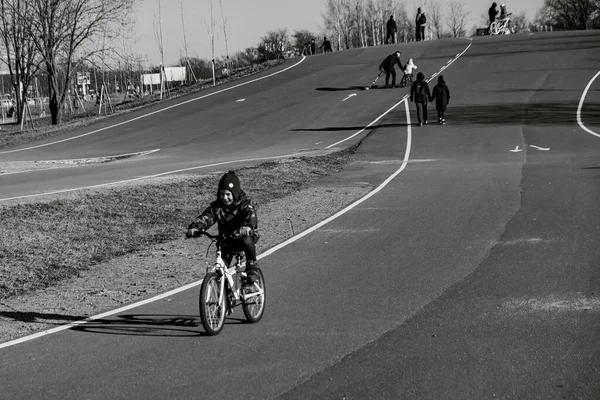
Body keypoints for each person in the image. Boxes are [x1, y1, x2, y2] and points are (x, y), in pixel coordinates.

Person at [186, 170, 260, 284]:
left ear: (234, 194)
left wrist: (247, 226)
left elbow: (251, 216)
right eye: (221, 194)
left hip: (242, 238)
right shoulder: (217, 207)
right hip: (226, 240)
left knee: (247, 238)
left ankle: (252, 267)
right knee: (221, 269)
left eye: (228, 194)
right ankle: (224, 293)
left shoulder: (245, 205)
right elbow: (206, 217)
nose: (224, 198)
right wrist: (195, 227)